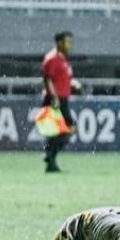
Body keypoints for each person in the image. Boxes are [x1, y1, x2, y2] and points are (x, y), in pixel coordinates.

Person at [41, 31, 78, 173]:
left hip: (62, 98)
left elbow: (62, 79)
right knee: (67, 129)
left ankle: (50, 158)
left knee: (60, 131)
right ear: (59, 43)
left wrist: (73, 86)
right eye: (67, 42)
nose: (70, 45)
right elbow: (48, 79)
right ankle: (49, 156)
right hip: (56, 99)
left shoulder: (62, 59)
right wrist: (54, 96)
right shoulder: (52, 58)